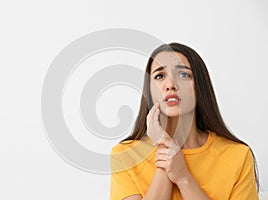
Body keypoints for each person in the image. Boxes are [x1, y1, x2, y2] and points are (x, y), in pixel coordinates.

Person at [110, 43, 259, 200]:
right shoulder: (125, 155)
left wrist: (183, 178)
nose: (171, 85)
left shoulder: (238, 156)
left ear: (200, 87)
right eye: (159, 76)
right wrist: (165, 152)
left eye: (183, 75)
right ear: (149, 91)